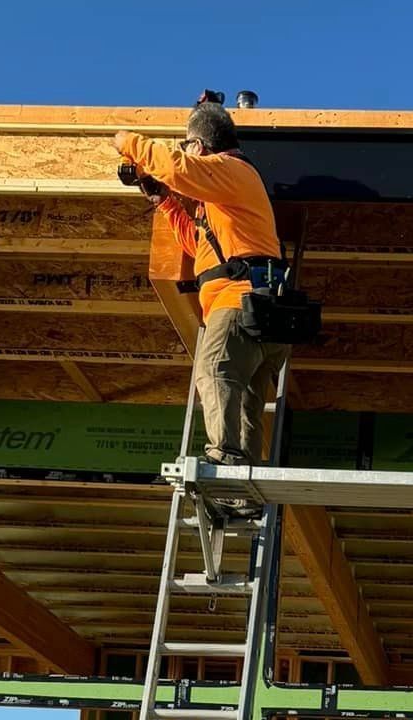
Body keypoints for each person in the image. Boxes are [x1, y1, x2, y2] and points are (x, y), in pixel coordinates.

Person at [114, 103, 290, 464]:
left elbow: (176, 168)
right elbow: (202, 248)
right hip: (259, 307)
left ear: (198, 147)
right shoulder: (227, 194)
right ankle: (242, 492)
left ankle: (224, 460)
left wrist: (126, 140)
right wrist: (163, 200)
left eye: (186, 146)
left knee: (213, 370)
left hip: (238, 302)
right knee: (243, 402)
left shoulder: (231, 169)